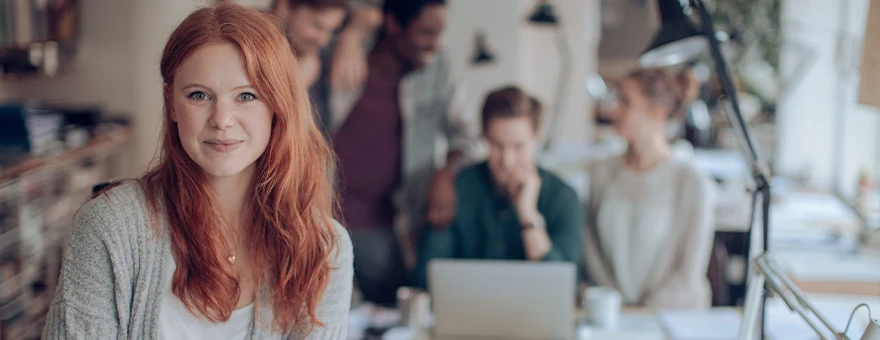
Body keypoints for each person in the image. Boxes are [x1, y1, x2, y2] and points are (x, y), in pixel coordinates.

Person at [42, 4, 353, 339]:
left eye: (246, 96)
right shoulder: (111, 227)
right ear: (172, 102)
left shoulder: (324, 248)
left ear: (278, 105)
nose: (222, 119)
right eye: (199, 95)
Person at [329, 0, 479, 306]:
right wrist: (349, 35)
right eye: (425, 33)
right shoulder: (344, 53)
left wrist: (446, 174)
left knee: (394, 303)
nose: (434, 45)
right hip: (320, 215)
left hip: (381, 222)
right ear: (394, 24)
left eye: (439, 34)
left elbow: (467, 136)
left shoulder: (437, 68)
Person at [413, 86, 583, 289]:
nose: (507, 160)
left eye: (518, 146)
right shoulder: (456, 189)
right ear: (484, 137)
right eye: (497, 145)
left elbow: (563, 288)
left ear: (536, 139)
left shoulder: (564, 198)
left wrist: (527, 215)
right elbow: (426, 277)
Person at [582, 68, 716, 310]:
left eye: (626, 102)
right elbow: (591, 256)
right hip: (612, 319)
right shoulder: (600, 172)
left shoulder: (690, 182)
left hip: (671, 318)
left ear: (657, 111)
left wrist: (642, 315)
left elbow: (687, 273)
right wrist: (616, 309)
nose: (615, 110)